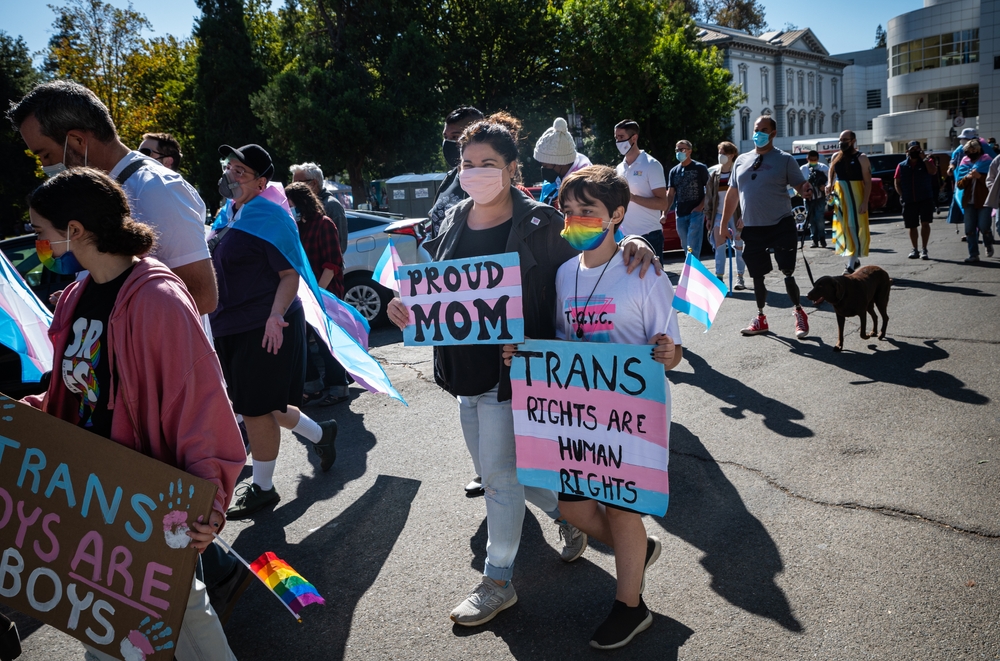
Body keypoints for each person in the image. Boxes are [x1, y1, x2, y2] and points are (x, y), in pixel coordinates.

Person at [386, 113, 660, 628]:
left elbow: (590, 252)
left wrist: (629, 247)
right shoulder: (450, 217)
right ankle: (584, 527)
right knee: (509, 474)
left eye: (488, 163)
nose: (475, 172)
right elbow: (436, 287)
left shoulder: (541, 221)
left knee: (499, 479)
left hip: (520, 376)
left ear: (513, 168)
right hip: (463, 373)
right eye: (468, 163)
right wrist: (406, 306)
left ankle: (497, 581)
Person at [25, 168, 246, 661]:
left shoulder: (159, 300)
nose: (37, 239)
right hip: (87, 497)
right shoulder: (73, 298)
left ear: (75, 230)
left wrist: (208, 501)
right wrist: (22, 419)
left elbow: (201, 405)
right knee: (103, 623)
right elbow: (72, 395)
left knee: (181, 612)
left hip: (144, 500)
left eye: (41, 229)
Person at [509, 165, 682, 649]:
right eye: (570, 211)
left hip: (631, 419)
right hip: (580, 419)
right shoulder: (566, 273)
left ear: (618, 215)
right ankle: (637, 551)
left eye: (589, 211)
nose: (576, 219)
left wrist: (669, 352)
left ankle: (631, 606)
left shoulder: (641, 270)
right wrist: (524, 358)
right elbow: (564, 346)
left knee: (622, 509)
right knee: (573, 506)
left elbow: (673, 349)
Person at [8, 81, 218, 315]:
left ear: (78, 140)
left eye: (46, 155)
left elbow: (200, 297)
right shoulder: (96, 194)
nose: (45, 167)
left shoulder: (156, 189)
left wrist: (92, 307)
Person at [210, 143, 337, 519]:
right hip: (229, 324)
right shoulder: (227, 214)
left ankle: (263, 488)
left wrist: (274, 316)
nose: (230, 176)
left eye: (241, 172)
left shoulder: (270, 215)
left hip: (267, 323)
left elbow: (289, 275)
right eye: (229, 168)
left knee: (255, 407)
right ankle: (322, 433)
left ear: (262, 181)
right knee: (262, 403)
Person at [720, 116, 814, 338]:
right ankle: (761, 318)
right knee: (757, 276)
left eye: (764, 130)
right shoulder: (741, 161)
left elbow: (799, 185)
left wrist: (805, 189)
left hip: (781, 225)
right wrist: (723, 224)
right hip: (752, 228)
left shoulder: (785, 159)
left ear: (773, 134)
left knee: (787, 272)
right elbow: (732, 194)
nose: (758, 133)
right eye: (756, 129)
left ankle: (800, 313)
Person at [284, 181, 350, 406]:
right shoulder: (296, 228)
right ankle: (312, 385)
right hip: (303, 297)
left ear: (302, 202)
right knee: (299, 343)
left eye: (290, 203)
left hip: (325, 295)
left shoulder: (324, 224)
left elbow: (333, 263)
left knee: (326, 344)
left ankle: (338, 388)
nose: (288, 208)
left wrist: (319, 294)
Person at [614, 120, 669, 261]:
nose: (617, 141)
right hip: (625, 237)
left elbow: (663, 203)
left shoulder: (652, 165)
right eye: (616, 137)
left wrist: (632, 197)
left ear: (634, 138)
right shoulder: (619, 168)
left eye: (621, 137)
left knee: (652, 281)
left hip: (649, 236)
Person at [428, 106, 486, 239]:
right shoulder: (450, 177)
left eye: (455, 136)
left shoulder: (489, 180)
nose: (448, 143)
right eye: (445, 137)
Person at [827, 130, 872, 275]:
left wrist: (865, 202)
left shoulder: (862, 157)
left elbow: (868, 181)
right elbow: (831, 172)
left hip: (856, 195)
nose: (842, 142)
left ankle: (852, 262)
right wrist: (829, 184)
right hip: (841, 197)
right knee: (845, 227)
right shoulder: (836, 156)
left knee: (854, 226)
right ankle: (853, 258)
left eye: (845, 139)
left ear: (853, 140)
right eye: (840, 139)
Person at [704, 141, 745, 289]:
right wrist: (709, 216)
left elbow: (746, 196)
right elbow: (709, 196)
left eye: (724, 153)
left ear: (732, 155)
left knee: (738, 246)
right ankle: (719, 278)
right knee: (719, 246)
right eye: (719, 152)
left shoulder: (739, 172)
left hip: (736, 215)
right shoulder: (715, 175)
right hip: (719, 215)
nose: (721, 156)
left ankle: (740, 278)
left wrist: (744, 216)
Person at [290, 162, 348, 255]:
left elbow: (340, 246)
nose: (294, 187)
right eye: (293, 183)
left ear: (313, 183)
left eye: (298, 183)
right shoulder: (298, 206)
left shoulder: (331, 205)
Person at [533, 117, 592, 208]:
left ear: (560, 163)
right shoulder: (549, 183)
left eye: (545, 165)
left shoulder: (586, 187)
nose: (543, 169)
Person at [665, 139, 709, 256]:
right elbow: (670, 194)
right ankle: (691, 269)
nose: (679, 152)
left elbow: (710, 190)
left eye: (682, 149)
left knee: (692, 246)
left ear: (690, 151)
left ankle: (691, 271)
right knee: (685, 245)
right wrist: (664, 213)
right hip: (680, 214)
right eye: (677, 150)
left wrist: (700, 207)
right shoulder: (674, 171)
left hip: (696, 213)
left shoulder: (700, 168)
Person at [894, 140, 937, 260]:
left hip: (925, 198)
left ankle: (924, 249)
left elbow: (933, 172)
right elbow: (897, 182)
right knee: (912, 225)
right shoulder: (901, 165)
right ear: (907, 151)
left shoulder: (927, 162)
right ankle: (915, 249)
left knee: (925, 223)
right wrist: (902, 195)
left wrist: (924, 159)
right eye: (912, 149)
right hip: (909, 200)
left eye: (917, 149)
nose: (915, 151)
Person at [954, 138, 995, 263]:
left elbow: (993, 182)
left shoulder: (987, 161)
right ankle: (973, 254)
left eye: (973, 150)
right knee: (969, 230)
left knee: (984, 226)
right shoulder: (964, 162)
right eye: (968, 151)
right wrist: (968, 177)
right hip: (968, 202)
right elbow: (959, 184)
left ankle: (988, 243)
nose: (971, 152)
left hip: (983, 201)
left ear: (978, 150)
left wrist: (980, 177)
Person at [799, 150, 829, 248]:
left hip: (820, 197)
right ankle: (814, 240)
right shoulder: (803, 169)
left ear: (818, 159)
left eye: (814, 159)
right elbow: (798, 183)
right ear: (807, 159)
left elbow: (831, 180)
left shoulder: (823, 168)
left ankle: (822, 239)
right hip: (808, 199)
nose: (812, 161)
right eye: (810, 159)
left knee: (819, 219)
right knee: (811, 219)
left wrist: (824, 187)